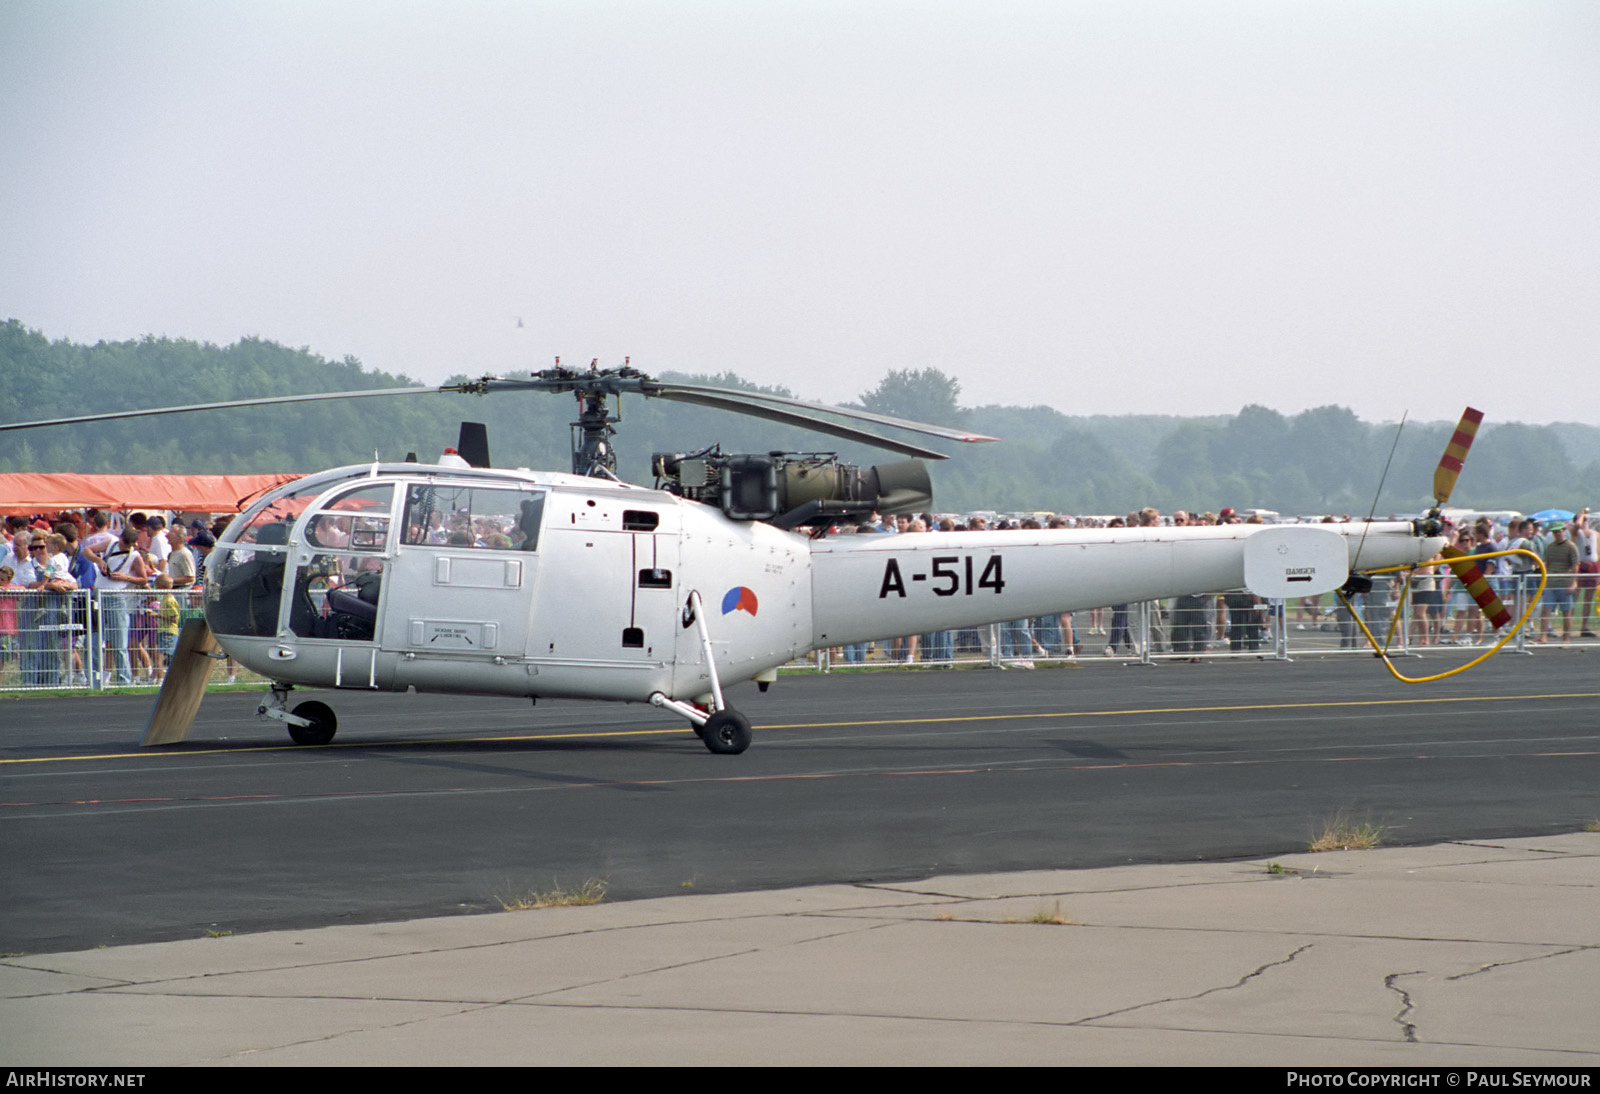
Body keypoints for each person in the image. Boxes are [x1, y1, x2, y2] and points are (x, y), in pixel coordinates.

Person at [98, 528, 147, 686]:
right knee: (102, 642)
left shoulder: (135, 556)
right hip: (99, 596)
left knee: (119, 642)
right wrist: (98, 561)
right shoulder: (111, 544)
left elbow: (143, 579)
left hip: (117, 598)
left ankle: (124, 679)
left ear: (133, 544)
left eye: (126, 544)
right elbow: (86, 550)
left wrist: (126, 577)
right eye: (122, 542)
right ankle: (100, 678)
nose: (122, 546)